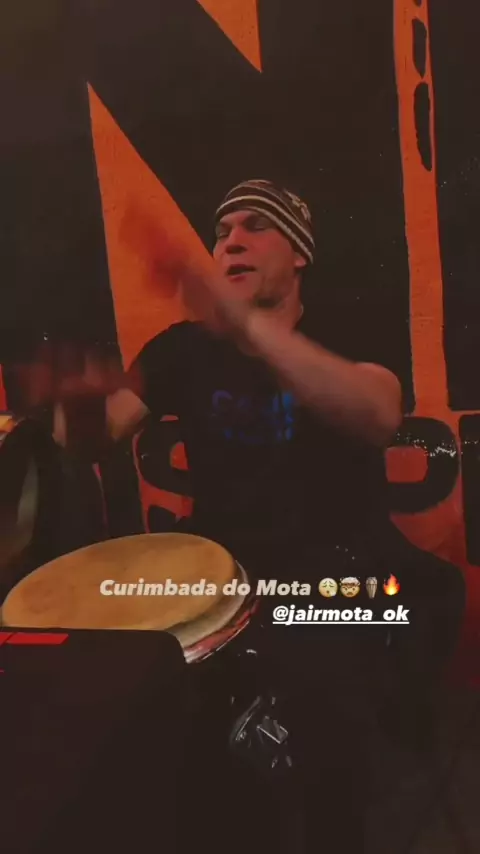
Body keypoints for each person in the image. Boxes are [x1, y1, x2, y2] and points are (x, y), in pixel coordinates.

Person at [49, 179, 464, 852]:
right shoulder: (181, 348)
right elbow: (96, 438)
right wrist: (78, 408)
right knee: (166, 740)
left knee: (325, 725)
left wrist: (248, 329)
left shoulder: (348, 328)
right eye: (221, 234)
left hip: (337, 583)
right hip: (226, 576)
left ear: (299, 254)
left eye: (253, 227)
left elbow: (377, 414)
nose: (230, 242)